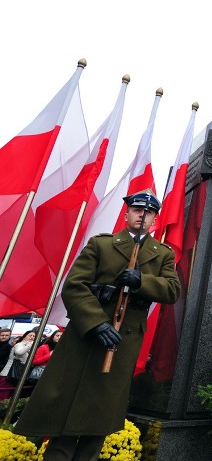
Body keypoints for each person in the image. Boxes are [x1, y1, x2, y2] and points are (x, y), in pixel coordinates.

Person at [14, 190, 180, 461]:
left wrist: (141, 281)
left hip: (122, 342)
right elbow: (74, 287)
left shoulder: (162, 255)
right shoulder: (101, 245)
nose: (142, 215)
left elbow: (172, 290)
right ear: (127, 214)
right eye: (137, 210)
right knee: (68, 408)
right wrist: (97, 323)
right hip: (87, 336)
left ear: (154, 220)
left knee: (101, 413)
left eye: (148, 213)